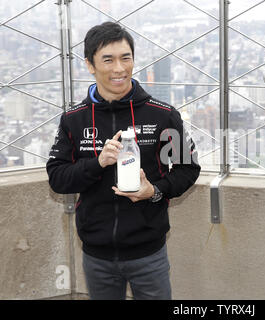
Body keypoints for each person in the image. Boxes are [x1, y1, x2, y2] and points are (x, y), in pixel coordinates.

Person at [46, 21, 200, 300]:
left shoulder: (162, 115)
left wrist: (154, 191)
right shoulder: (74, 119)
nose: (119, 68)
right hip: (96, 255)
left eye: (125, 58)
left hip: (148, 252)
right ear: (90, 65)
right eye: (108, 59)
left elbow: (187, 169)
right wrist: (98, 162)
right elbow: (57, 178)